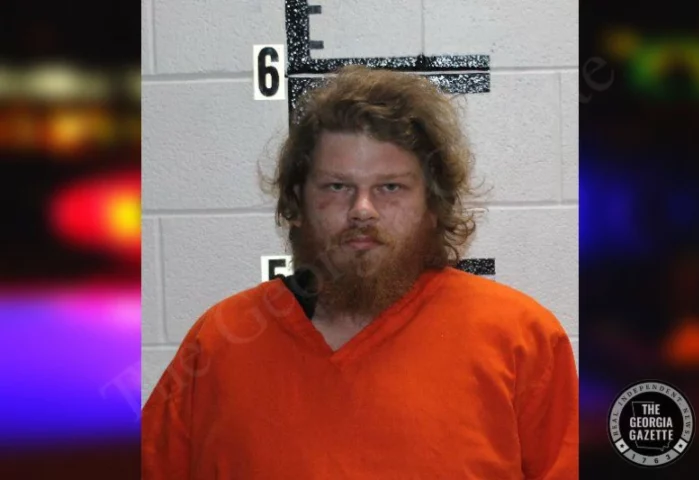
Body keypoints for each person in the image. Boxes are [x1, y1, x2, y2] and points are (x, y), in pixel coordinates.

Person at [142, 65, 579, 479]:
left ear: (432, 206)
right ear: (297, 204)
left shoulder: (521, 340)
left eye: (390, 187)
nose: (362, 210)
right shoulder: (220, 342)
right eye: (337, 186)